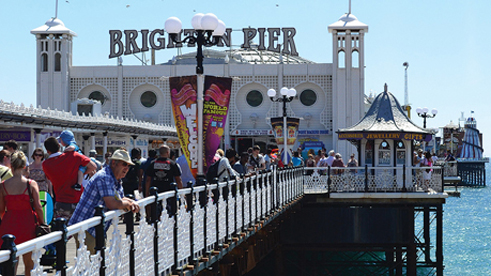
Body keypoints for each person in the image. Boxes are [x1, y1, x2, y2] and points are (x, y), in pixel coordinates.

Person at [69, 149, 140, 254]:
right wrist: (130, 204)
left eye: (129, 166)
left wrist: (131, 202)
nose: (127, 168)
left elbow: (120, 199)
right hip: (87, 227)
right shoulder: (104, 177)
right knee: (90, 263)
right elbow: (112, 203)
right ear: (114, 163)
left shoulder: (115, 178)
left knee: (97, 260)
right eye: (124, 164)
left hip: (95, 226)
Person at [0, 151, 45, 276]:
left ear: (11, 166)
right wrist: (43, 223)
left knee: (10, 262)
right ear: (25, 166)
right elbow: (38, 206)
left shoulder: (3, 186)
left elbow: (1, 210)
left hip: (9, 224)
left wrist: (7, 220)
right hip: (28, 223)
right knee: (29, 263)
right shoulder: (31, 184)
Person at [43, 137, 96, 220]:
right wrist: (79, 174)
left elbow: (49, 178)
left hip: (61, 201)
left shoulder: (45, 165)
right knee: (80, 230)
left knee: (63, 230)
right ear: (59, 145)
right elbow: (93, 166)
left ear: (47, 151)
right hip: (78, 200)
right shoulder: (73, 155)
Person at [145, 145, 183, 215]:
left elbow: (148, 179)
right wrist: (182, 193)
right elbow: (178, 179)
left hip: (156, 190)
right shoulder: (172, 163)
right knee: (170, 211)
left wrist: (147, 193)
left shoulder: (153, 163)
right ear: (168, 152)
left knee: (156, 210)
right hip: (169, 191)